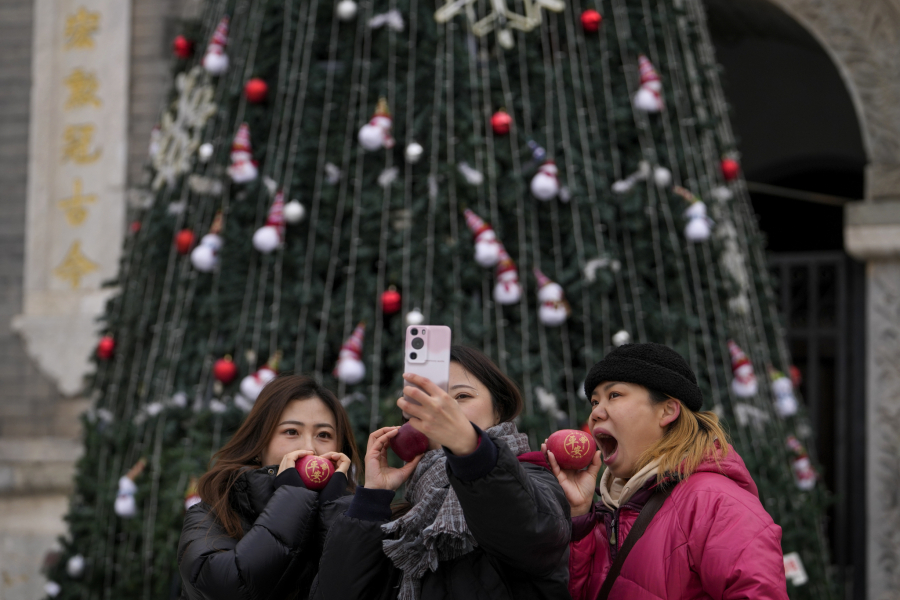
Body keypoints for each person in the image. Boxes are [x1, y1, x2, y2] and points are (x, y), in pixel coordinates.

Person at [311, 345, 571, 600]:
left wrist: (470, 449)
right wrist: (372, 499)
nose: (444, 409)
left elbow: (529, 533)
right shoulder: (404, 518)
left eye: (462, 396)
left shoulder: (536, 480)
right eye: (429, 401)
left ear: (499, 409)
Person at [546, 342, 788, 600]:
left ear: (667, 410)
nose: (595, 413)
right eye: (594, 401)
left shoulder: (716, 502)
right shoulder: (608, 511)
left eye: (614, 395)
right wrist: (579, 516)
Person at [178, 375, 362, 600]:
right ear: (259, 444)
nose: (310, 449)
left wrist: (335, 512)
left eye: (323, 435)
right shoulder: (213, 514)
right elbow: (224, 588)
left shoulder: (361, 519)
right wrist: (293, 499)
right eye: (291, 431)